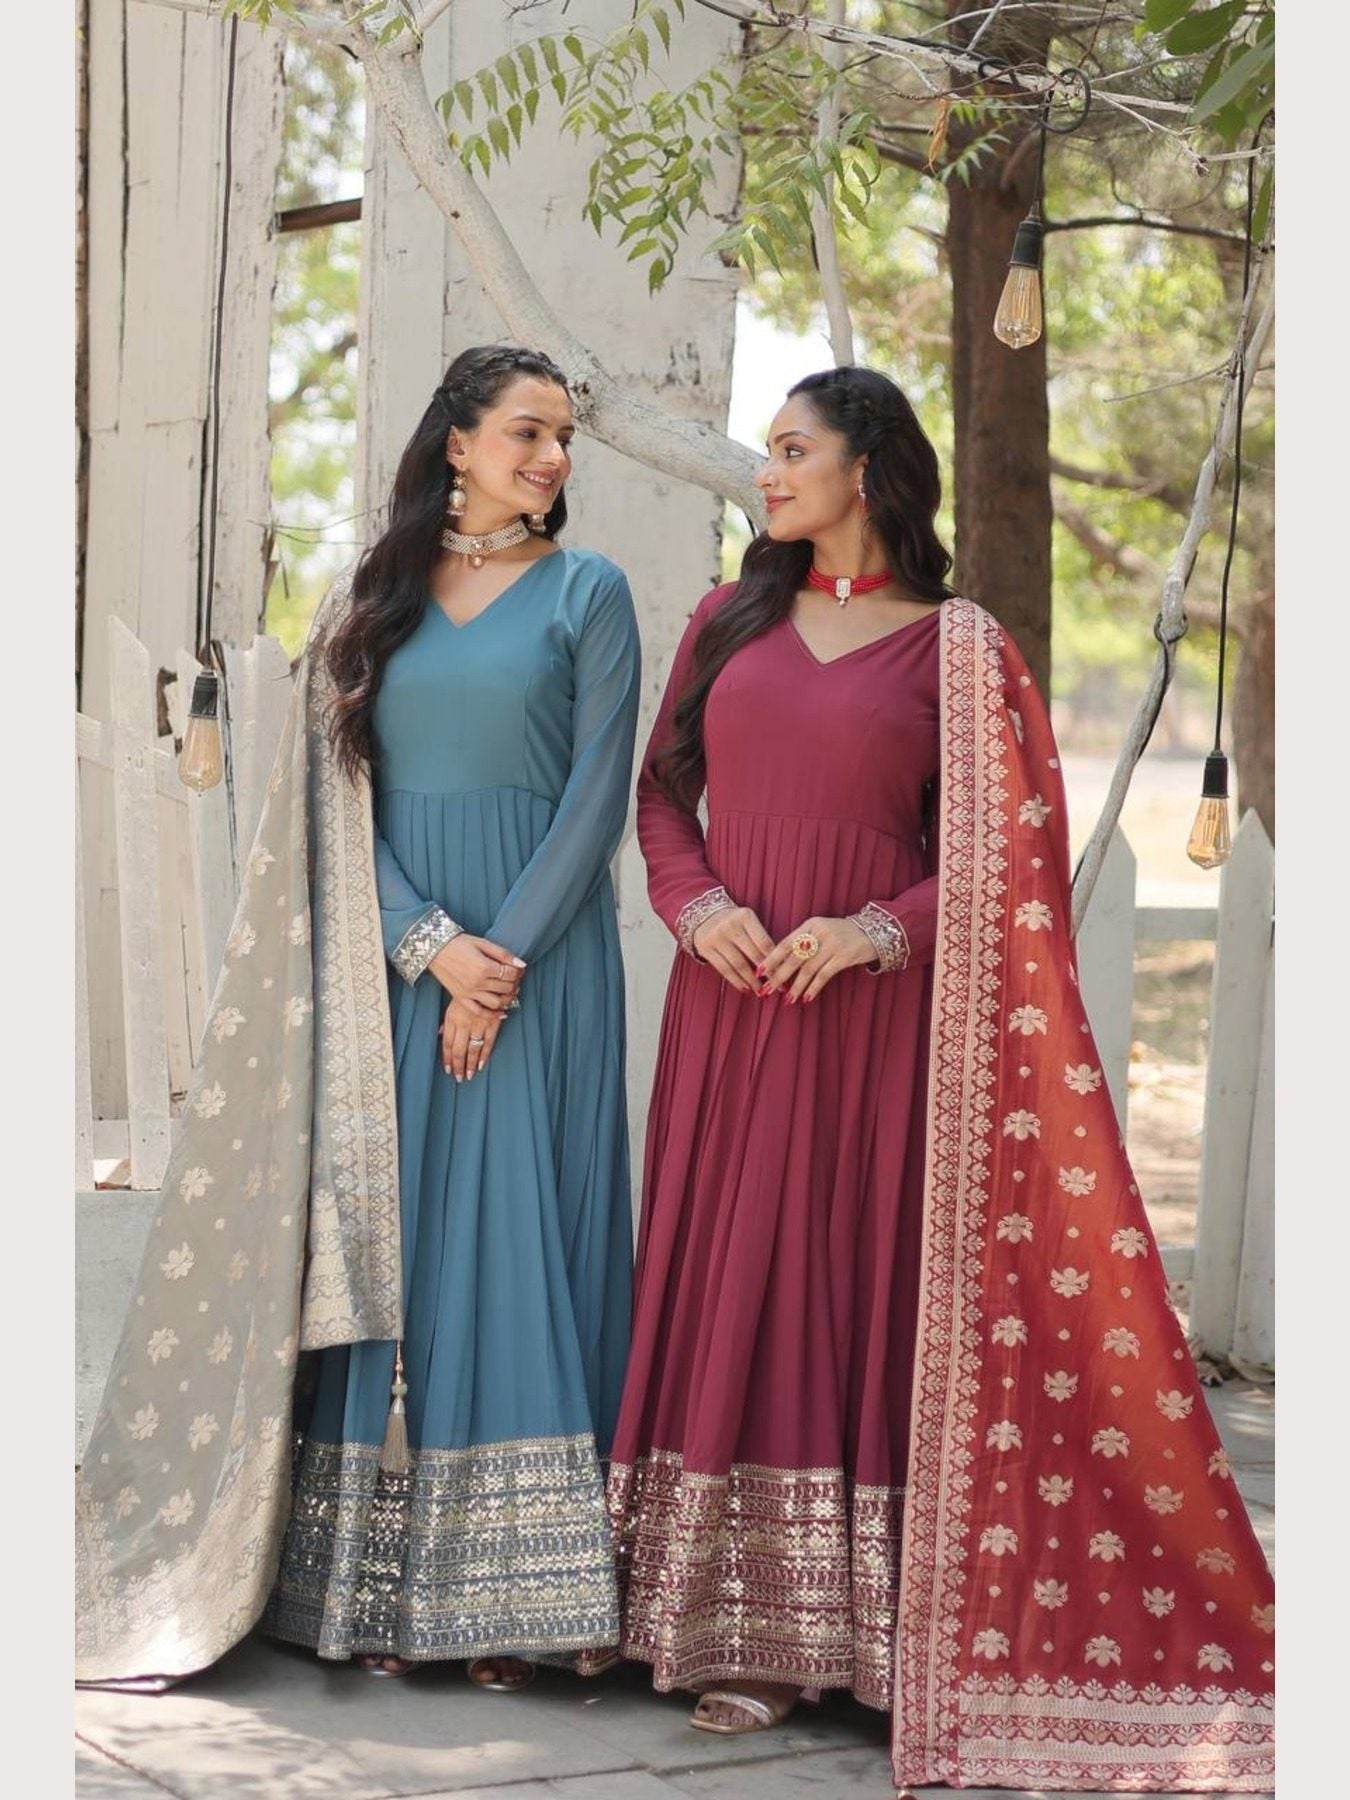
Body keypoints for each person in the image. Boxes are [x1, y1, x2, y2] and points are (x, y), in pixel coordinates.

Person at [605, 366, 1274, 1793]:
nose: (768, 474)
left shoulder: (960, 652)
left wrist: (872, 931)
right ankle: (729, 1622)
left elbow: (1009, 861)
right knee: (737, 1271)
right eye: (768, 453)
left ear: (868, 470)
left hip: (871, 1025)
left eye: (792, 451)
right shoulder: (727, 623)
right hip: (730, 1009)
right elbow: (662, 796)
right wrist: (696, 904)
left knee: (846, 1280)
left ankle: (872, 1630)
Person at [76, 345, 641, 1695]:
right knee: (397, 1247)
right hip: (390, 972)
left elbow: (596, 796)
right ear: (455, 440)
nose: (551, 457)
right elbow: (332, 804)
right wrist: (430, 951)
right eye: (526, 431)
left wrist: (497, 960)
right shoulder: (370, 599)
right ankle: (377, 1586)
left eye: (564, 437)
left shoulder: (588, 592)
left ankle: (531, 1596)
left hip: (541, 967)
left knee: (521, 1235)